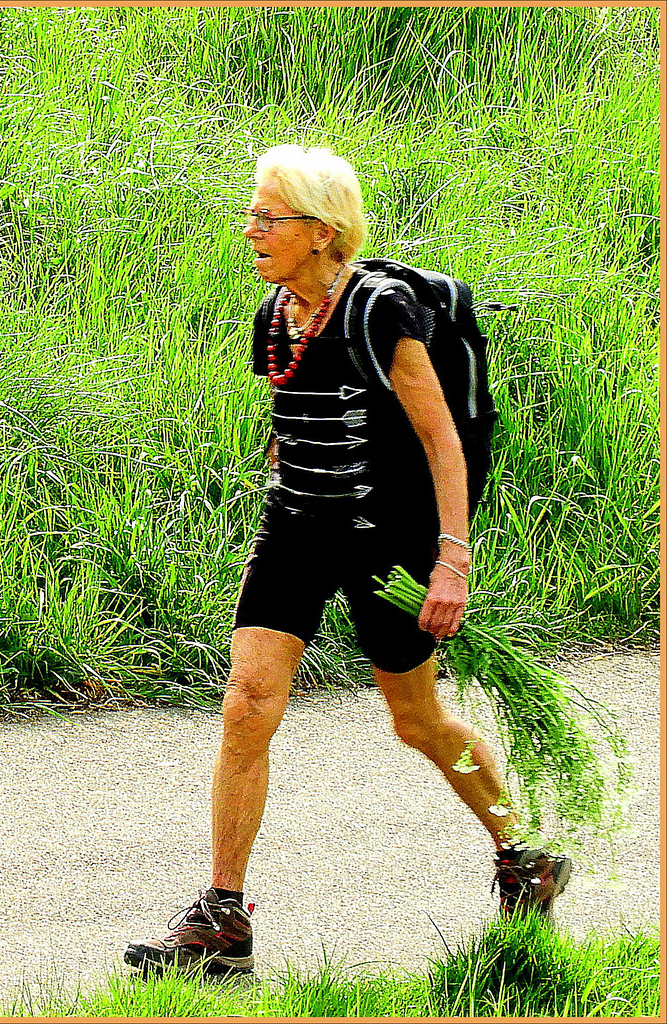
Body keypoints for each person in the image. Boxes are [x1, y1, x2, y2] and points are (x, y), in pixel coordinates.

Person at [124, 145, 571, 976]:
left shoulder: (378, 312)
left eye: (269, 217)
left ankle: (520, 853)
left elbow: (441, 438)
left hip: (386, 543)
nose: (250, 229)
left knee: (418, 722)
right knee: (247, 703)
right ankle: (222, 917)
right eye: (251, 213)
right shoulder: (275, 316)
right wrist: (283, 472)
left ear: (323, 233)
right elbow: (290, 413)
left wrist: (451, 561)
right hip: (294, 527)